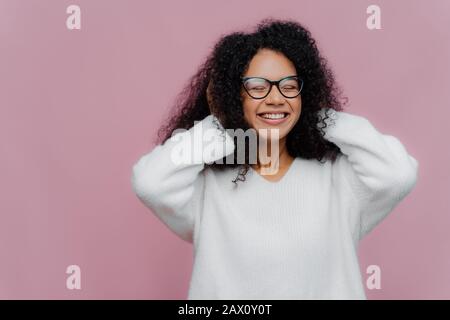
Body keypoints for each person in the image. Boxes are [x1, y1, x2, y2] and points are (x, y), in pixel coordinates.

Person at [130, 18, 419, 299]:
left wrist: (319, 117)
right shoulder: (206, 188)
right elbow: (151, 182)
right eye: (257, 87)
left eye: (289, 86)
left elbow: (398, 173)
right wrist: (220, 122)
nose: (276, 98)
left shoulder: (338, 179)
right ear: (233, 95)